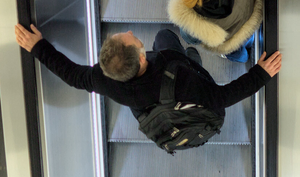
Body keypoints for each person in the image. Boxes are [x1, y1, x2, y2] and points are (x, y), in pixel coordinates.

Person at [14, 24, 281, 119]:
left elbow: (72, 75)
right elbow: (222, 97)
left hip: (151, 102)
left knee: (165, 35)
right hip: (184, 87)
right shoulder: (183, 81)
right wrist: (260, 74)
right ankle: (194, 58)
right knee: (174, 44)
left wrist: (38, 47)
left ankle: (193, 56)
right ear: (143, 59)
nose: (130, 32)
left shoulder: (103, 78)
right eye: (131, 39)